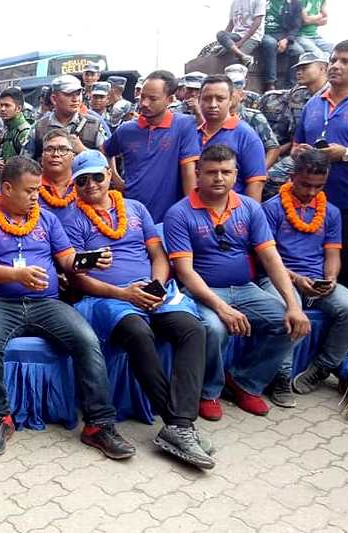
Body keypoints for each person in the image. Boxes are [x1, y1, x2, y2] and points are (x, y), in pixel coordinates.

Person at [0, 156, 134, 460]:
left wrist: (89, 260)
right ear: (7, 188)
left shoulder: (46, 218)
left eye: (37, 190)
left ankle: (98, 424)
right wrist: (16, 275)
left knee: (87, 339)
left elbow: (67, 258)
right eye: (29, 190)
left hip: (46, 302)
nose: (36, 196)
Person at [63, 150, 213, 470]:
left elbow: (158, 254)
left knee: (193, 329)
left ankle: (180, 424)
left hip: (151, 290)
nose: (91, 185)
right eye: (82, 181)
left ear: (109, 174)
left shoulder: (135, 208)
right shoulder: (72, 219)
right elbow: (77, 277)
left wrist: (155, 285)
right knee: (138, 332)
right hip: (107, 298)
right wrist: (124, 294)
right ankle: (178, 424)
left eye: (97, 177)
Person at [164, 145, 311, 420]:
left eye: (225, 172)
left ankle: (245, 382)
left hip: (245, 289)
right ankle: (208, 391)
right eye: (211, 172)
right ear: (198, 173)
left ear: (235, 174)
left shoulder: (249, 208)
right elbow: (185, 273)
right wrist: (222, 308)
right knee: (214, 328)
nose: (218, 178)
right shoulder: (179, 213)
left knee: (291, 322)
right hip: (202, 292)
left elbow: (271, 259)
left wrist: (293, 304)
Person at [261, 149, 348, 402]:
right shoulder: (271, 209)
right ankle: (281, 377)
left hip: (316, 282)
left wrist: (330, 279)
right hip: (279, 277)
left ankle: (322, 367)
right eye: (305, 184)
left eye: (318, 186)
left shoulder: (331, 212)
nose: (311, 192)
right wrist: (296, 279)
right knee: (289, 307)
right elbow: (267, 259)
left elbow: (332, 254)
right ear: (292, 177)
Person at [293, 40, 348, 311]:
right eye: (333, 60)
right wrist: (300, 152)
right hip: (311, 205)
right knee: (314, 272)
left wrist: (346, 154)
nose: (335, 66)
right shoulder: (313, 103)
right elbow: (295, 144)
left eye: (345, 61)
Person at [105, 70, 201, 223]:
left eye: (153, 98)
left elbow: (188, 172)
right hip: (132, 218)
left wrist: (192, 215)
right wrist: (115, 179)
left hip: (168, 219)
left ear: (170, 99)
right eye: (142, 97)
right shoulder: (126, 130)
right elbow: (105, 151)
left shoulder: (184, 125)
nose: (144, 103)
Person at [263, 51, 330, 197]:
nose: (299, 72)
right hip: (297, 151)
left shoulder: (333, 94)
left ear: (322, 68)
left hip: (325, 154)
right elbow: (291, 132)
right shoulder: (298, 95)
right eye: (298, 69)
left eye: (305, 68)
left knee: (272, 178)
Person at [198, 75, 268, 202]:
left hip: (231, 211)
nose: (213, 104)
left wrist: (248, 213)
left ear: (231, 100)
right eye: (207, 99)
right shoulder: (192, 133)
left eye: (220, 99)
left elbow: (256, 183)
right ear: (199, 100)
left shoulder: (246, 136)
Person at [27, 75, 109, 160]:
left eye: (78, 94)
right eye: (69, 94)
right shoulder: (39, 128)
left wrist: (83, 150)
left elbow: (107, 160)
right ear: (54, 99)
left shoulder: (93, 125)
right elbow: (26, 162)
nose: (75, 99)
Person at [226, 69, 282, 170]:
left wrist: (259, 171)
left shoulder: (254, 117)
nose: (228, 99)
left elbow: (273, 149)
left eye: (232, 95)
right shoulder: (214, 118)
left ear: (241, 96)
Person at [260, 0, 305, 91]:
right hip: (264, 33)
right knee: (270, 44)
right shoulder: (262, 2)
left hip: (284, 35)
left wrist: (287, 39)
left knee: (298, 51)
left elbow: (296, 26)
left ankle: (290, 86)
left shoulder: (294, 3)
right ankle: (270, 83)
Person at [37, 129, 78, 225]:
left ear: (73, 156)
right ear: (42, 157)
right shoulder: (31, 186)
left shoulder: (84, 185)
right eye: (49, 149)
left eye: (63, 149)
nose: (55, 154)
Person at [214, 0, 266, 67]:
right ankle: (243, 56)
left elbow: (257, 22)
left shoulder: (259, 1)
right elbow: (231, 24)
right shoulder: (234, 2)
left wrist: (241, 42)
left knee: (235, 61)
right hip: (237, 35)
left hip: (253, 37)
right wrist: (221, 43)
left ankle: (241, 57)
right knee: (221, 34)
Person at [0, 87, 32, 173]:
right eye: (1, 105)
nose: (2, 109)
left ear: (18, 108)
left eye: (7, 105)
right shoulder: (8, 129)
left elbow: (27, 165)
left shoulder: (24, 132)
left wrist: (9, 167)